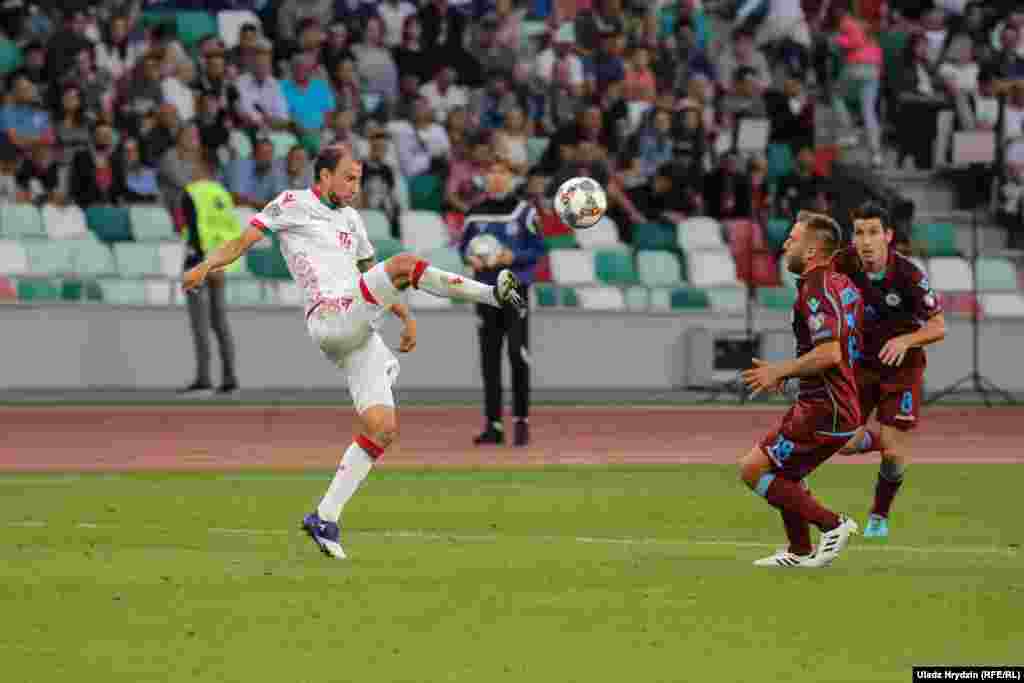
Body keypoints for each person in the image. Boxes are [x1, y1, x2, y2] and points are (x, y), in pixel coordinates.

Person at [182, 143, 525, 559]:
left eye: (359, 179)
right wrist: (204, 266)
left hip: (358, 329)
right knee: (402, 263)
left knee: (382, 428)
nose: (355, 186)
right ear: (324, 175)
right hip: (330, 316)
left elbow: (370, 274)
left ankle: (324, 518)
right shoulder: (291, 203)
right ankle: (492, 294)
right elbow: (241, 241)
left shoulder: (351, 219)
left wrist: (405, 316)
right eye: (348, 177)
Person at [739, 211, 863, 568]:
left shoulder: (817, 288)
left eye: (792, 239)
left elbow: (829, 353)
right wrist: (795, 374)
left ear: (811, 251)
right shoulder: (840, 283)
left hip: (825, 408)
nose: (784, 245)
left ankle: (833, 524)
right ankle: (798, 551)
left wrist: (781, 370)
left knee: (753, 470)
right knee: (786, 475)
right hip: (830, 401)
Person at [833, 202, 946, 539]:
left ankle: (879, 515)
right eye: (859, 233)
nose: (866, 241)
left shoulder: (909, 275)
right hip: (862, 366)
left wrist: (906, 340)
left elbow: (938, 326)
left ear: (888, 236)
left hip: (902, 370)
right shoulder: (844, 263)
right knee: (843, 443)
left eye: (873, 232)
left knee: (894, 455)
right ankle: (887, 441)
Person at [459, 159, 546, 447]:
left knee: (517, 353)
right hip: (485, 291)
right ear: (485, 177)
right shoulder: (474, 213)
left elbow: (538, 249)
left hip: (515, 291)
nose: (496, 177)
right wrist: (470, 258)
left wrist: (513, 257)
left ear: (511, 178)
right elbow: (463, 247)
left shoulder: (524, 212)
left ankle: (521, 420)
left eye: (502, 173)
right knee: (489, 357)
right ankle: (493, 425)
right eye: (492, 172)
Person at [180, 155, 242, 395]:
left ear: (202, 168)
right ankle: (230, 377)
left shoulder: (192, 193)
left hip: (198, 263)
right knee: (220, 322)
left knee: (200, 323)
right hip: (220, 262)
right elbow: (232, 232)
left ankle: (204, 378)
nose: (190, 170)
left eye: (193, 165)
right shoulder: (223, 195)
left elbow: (195, 230)